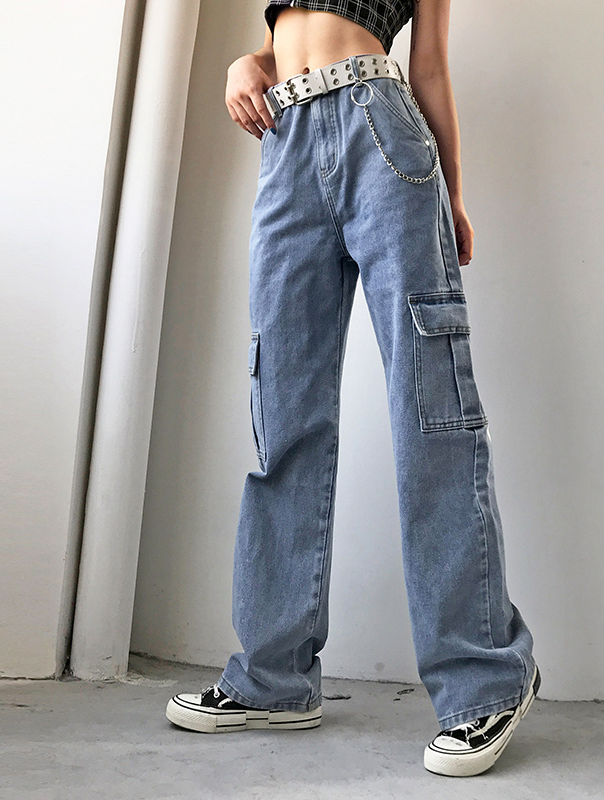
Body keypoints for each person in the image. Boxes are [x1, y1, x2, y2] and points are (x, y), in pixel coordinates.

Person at [165, 0, 540, 777]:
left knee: (431, 411)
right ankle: (273, 679)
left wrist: (452, 194)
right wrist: (245, 66)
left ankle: (485, 680)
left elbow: (428, 62)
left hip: (382, 136)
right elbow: (278, 46)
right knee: (282, 415)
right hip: (286, 145)